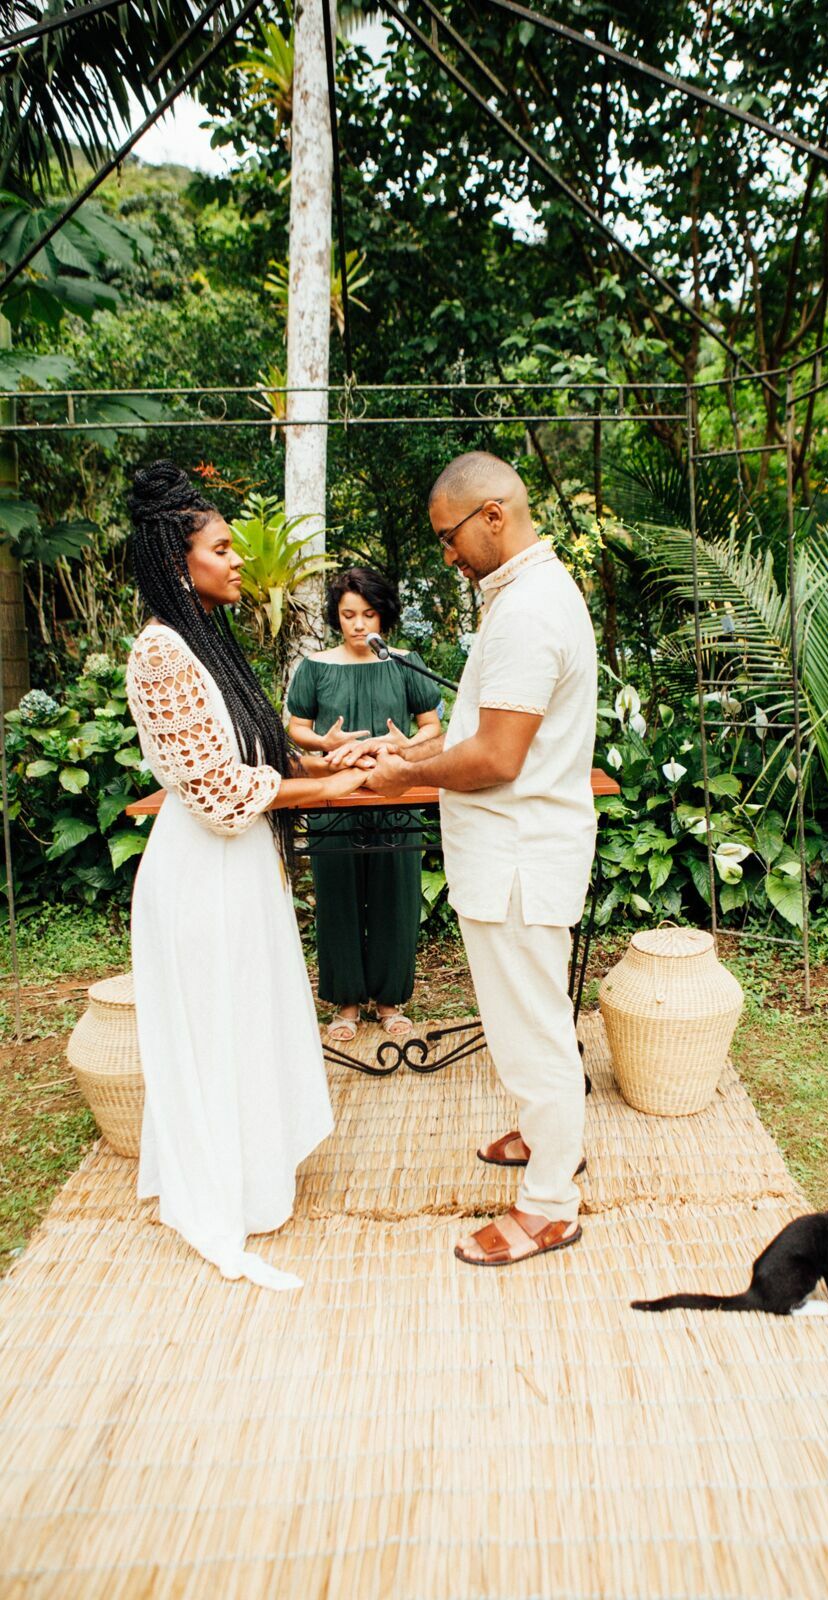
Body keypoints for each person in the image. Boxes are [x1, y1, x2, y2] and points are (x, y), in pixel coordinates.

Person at [125, 460, 369, 1291]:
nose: (236, 560)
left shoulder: (202, 640)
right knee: (217, 1026)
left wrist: (329, 751)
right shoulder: (160, 654)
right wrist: (324, 790)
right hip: (201, 874)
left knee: (247, 1021)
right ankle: (225, 1188)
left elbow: (248, 747)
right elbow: (222, 795)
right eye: (221, 547)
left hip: (236, 870)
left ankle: (258, 1179)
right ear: (176, 557)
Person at [366, 452, 598, 1267]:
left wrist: (407, 772)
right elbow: (490, 730)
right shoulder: (527, 594)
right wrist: (431, 745)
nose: (447, 556)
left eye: (449, 537)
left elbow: (498, 758)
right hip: (514, 852)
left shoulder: (530, 609)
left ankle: (549, 1204)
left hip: (517, 858)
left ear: (493, 514)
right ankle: (548, 1139)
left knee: (532, 1032)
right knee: (524, 1023)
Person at [286, 568, 442, 1041]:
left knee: (396, 893)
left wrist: (402, 745)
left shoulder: (405, 662)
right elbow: (295, 726)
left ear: (384, 615)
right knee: (337, 896)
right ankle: (347, 1004)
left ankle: (390, 1000)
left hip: (397, 793)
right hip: (332, 795)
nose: (358, 625)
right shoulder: (315, 666)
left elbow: (433, 729)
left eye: (368, 614)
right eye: (348, 615)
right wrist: (323, 740)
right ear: (337, 617)